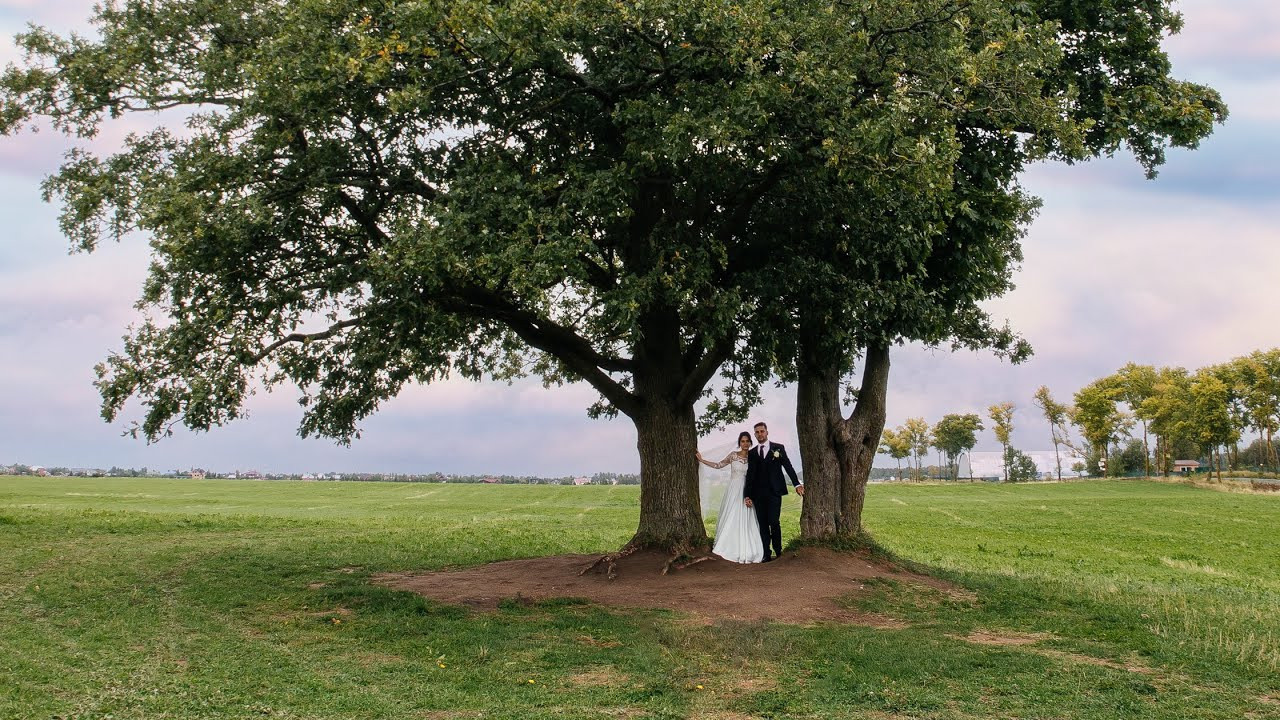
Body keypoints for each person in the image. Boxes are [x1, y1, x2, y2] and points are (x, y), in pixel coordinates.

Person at [696, 431, 764, 563]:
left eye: (747, 441)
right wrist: (702, 460)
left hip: (747, 490)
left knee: (746, 517)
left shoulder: (754, 457)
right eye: (742, 441)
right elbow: (718, 465)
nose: (745, 443)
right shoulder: (733, 456)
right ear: (739, 443)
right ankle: (727, 545)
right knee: (732, 514)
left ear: (750, 443)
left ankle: (747, 548)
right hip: (733, 490)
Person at [743, 422, 803, 562]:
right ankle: (766, 554)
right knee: (762, 524)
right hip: (758, 494)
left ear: (767, 432)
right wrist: (747, 495)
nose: (760, 434)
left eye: (762, 431)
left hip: (774, 492)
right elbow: (750, 475)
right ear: (755, 434)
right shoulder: (752, 453)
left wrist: (796, 484)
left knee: (774, 522)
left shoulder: (778, 448)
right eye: (757, 432)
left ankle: (778, 551)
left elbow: (787, 466)